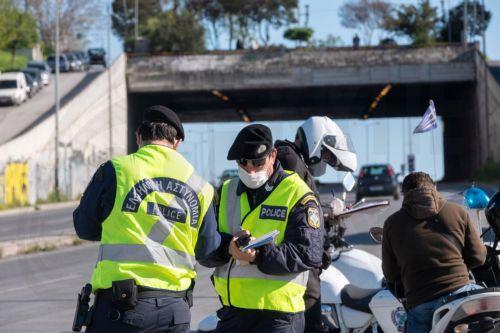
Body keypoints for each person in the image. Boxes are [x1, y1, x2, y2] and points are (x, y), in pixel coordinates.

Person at [73, 105, 223, 333]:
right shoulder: (201, 187)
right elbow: (208, 250)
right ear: (177, 143)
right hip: (175, 310)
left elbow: (84, 228)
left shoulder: (117, 170)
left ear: (138, 137)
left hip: (121, 310)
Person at [213, 124, 324, 333]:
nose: (251, 169)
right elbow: (205, 247)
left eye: (257, 162)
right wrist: (228, 247)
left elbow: (309, 253)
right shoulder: (226, 191)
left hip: (278, 317)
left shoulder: (298, 193)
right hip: (233, 314)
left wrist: (259, 255)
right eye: (243, 163)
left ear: (273, 155)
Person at [275, 116, 357, 333]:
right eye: (327, 154)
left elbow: (298, 207)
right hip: (298, 259)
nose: (327, 160)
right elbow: (296, 209)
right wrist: (325, 212)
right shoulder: (290, 162)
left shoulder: (291, 160)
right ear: (315, 143)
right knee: (311, 319)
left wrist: (325, 212)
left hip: (295, 255)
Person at [382, 172, 487, 333]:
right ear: (435, 188)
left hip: (421, 302)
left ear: (404, 194)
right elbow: (479, 257)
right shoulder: (458, 212)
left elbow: (391, 275)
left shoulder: (391, 223)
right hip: (460, 296)